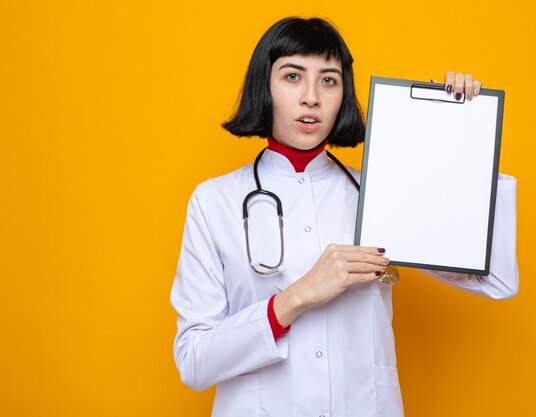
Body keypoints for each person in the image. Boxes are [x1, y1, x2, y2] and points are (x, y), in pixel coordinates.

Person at [170, 16, 518, 417]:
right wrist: (296, 297)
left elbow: (496, 282)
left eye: (329, 80)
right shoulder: (214, 201)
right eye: (292, 76)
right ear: (264, 86)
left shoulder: (380, 192)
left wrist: (465, 130)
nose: (312, 97)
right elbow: (193, 361)